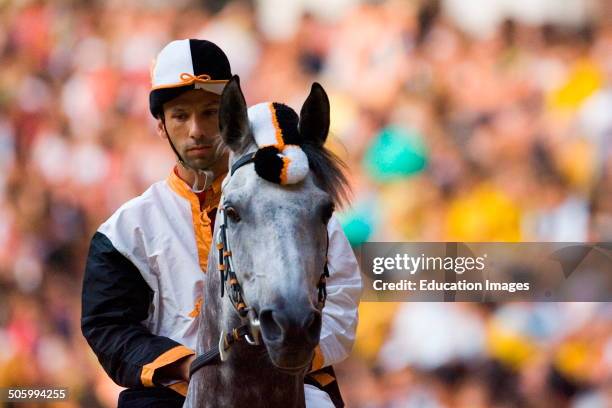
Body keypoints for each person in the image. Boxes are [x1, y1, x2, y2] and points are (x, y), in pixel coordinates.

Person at [80, 39, 362, 408]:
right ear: (162, 126)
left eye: (210, 113)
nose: (196, 130)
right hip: (170, 393)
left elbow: (341, 297)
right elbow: (109, 327)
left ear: (231, 120)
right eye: (180, 115)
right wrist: (188, 366)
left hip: (291, 384)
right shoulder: (124, 231)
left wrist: (292, 354)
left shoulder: (298, 206)